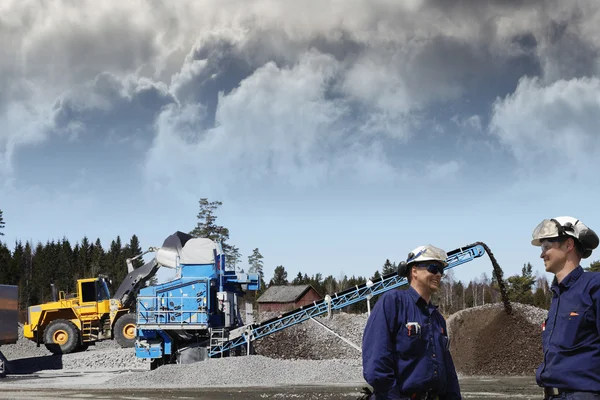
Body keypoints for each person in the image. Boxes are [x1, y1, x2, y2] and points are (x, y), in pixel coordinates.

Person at [361, 244, 462, 400]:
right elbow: (377, 363)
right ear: (414, 270)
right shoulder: (393, 303)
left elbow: (448, 370)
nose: (438, 275)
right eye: (433, 268)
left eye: (441, 270)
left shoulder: (438, 319)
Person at [531, 216, 600, 400]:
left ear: (568, 244)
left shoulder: (594, 286)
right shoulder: (558, 297)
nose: (542, 254)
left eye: (546, 247)